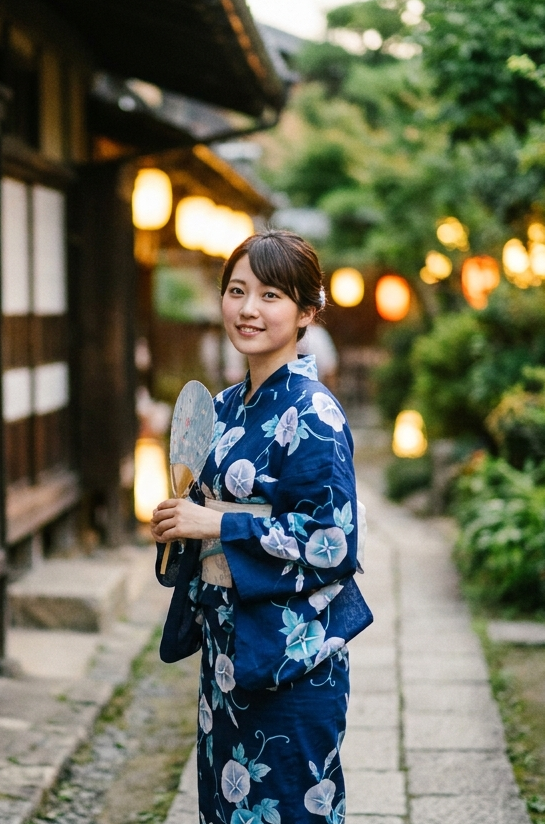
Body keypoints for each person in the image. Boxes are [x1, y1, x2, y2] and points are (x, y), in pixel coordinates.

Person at [150, 230, 371, 824]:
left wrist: (218, 525)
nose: (248, 309)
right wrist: (181, 522)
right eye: (236, 291)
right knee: (223, 804)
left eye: (271, 295)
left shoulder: (316, 414)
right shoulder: (220, 408)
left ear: (306, 312)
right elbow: (200, 512)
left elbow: (335, 542)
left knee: (289, 804)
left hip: (292, 654)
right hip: (229, 648)